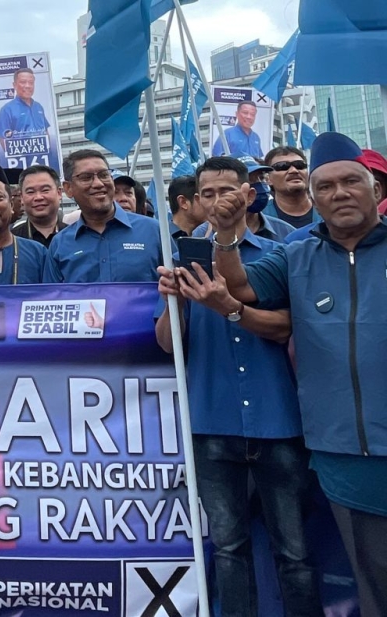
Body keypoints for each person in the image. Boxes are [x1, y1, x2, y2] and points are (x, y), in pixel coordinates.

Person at [211, 132, 387, 615]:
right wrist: (226, 236)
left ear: (375, 189)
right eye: (325, 187)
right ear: (314, 197)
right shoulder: (296, 252)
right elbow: (239, 288)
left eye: (352, 181)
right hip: (343, 452)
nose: (339, 193)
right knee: (374, 582)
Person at [155, 156, 322, 617]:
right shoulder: (181, 252)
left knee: (294, 550)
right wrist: (173, 303)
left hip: (278, 418)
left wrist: (230, 308)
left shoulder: (284, 247)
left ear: (248, 194)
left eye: (226, 191)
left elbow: (290, 327)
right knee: (228, 548)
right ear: (194, 201)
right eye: (206, 194)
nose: (216, 202)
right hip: (211, 420)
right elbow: (169, 345)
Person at [45, 149, 164, 283]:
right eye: (86, 177)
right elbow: (53, 299)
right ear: (68, 188)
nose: (98, 184)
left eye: (103, 175)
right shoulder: (59, 245)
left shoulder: (154, 231)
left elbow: (180, 292)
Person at [0, 68, 52, 167]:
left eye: (31, 82)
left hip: (43, 161)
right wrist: (16, 161)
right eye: (23, 82)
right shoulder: (7, 109)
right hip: (21, 164)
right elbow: (3, 139)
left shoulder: (38, 106)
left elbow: (45, 131)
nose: (28, 86)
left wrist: (48, 150)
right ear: (14, 85)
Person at [261, 146, 321, 229]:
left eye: (299, 165)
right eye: (282, 166)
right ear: (268, 179)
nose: (294, 170)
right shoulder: (259, 217)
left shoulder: (328, 210)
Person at [12, 164, 65, 248]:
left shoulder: (77, 236)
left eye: (45, 190)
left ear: (59, 193)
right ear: (21, 197)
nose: (38, 197)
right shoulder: (11, 241)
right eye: (30, 192)